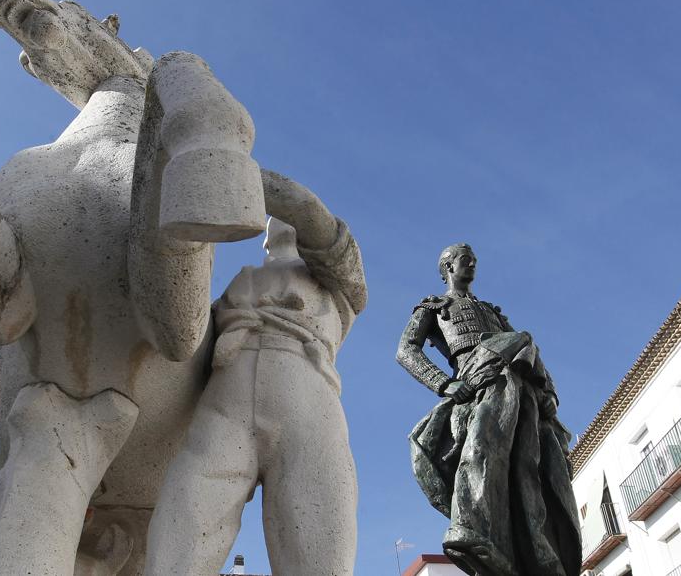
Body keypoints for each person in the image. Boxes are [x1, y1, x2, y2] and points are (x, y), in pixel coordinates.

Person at [145, 172, 366, 575]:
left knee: (321, 526)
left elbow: (336, 250)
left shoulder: (335, 282)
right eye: (272, 220)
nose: (279, 221)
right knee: (188, 512)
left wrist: (240, 175)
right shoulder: (242, 278)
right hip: (228, 390)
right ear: (265, 239)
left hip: (306, 392)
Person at [396, 243, 580, 576]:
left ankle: (540, 551)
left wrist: (547, 390)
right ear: (448, 267)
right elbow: (406, 350)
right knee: (483, 445)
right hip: (477, 377)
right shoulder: (433, 307)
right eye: (466, 261)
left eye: (475, 261)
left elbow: (528, 346)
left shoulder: (493, 312)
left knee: (531, 468)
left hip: (518, 382)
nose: (473, 266)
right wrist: (445, 384)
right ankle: (472, 526)